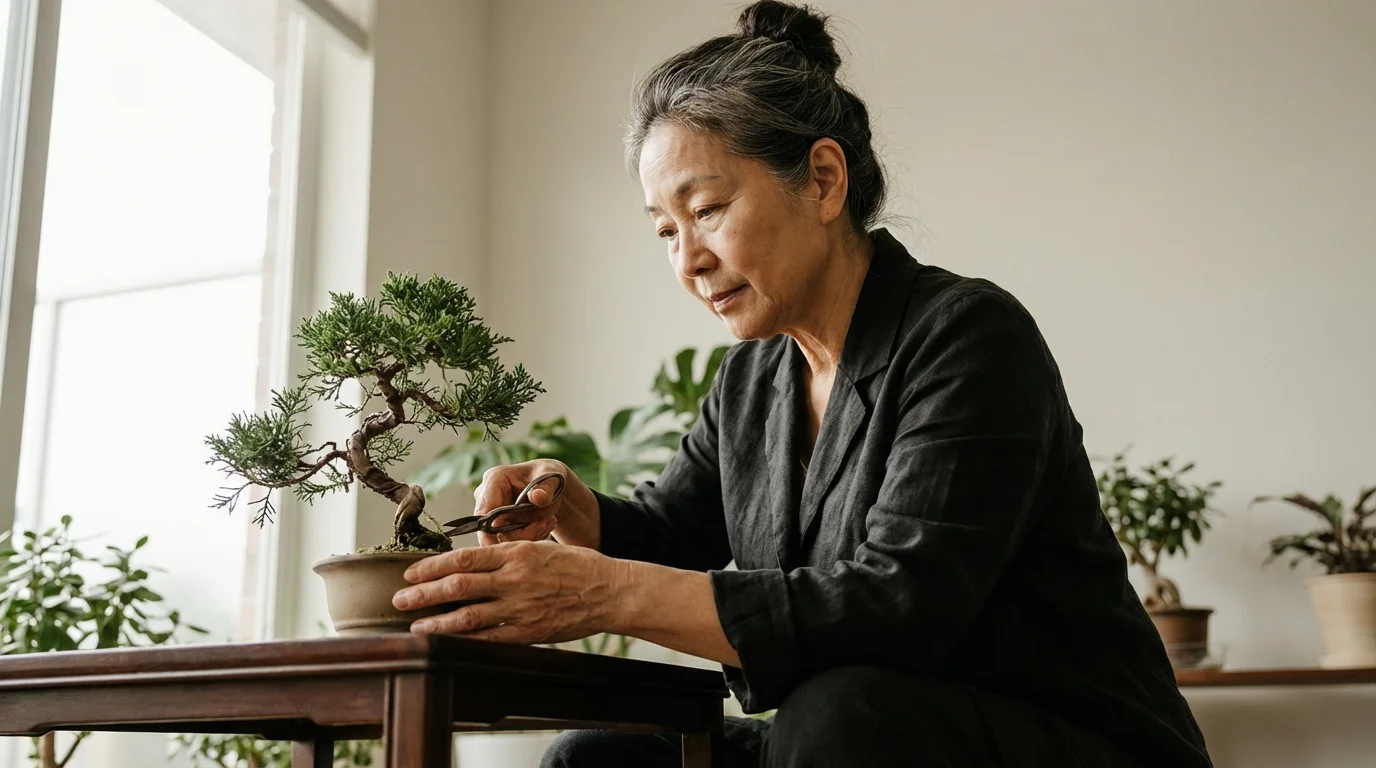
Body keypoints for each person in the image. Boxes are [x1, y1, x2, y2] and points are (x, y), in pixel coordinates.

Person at [391, 2, 1214, 766]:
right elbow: (675, 531)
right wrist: (575, 509)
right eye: (665, 231)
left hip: (1064, 738)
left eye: (707, 210)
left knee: (837, 716)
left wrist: (606, 593)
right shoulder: (753, 379)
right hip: (861, 734)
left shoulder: (968, 336)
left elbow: (905, 605)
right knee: (594, 759)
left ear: (823, 180)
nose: (688, 260)